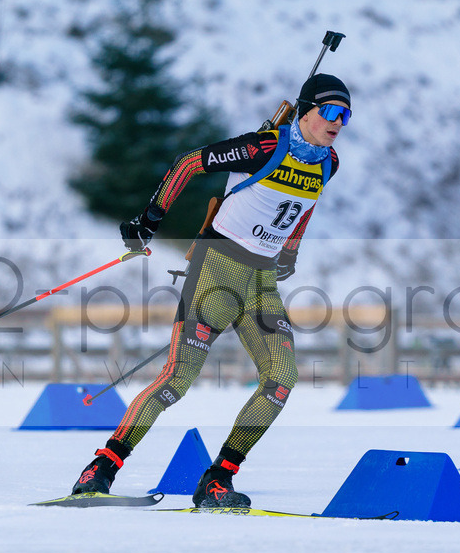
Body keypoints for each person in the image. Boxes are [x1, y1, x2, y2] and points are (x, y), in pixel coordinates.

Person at [72, 74, 350, 507]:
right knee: (177, 379)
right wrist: (151, 218)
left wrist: (289, 251)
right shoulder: (264, 146)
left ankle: (217, 478)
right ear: (305, 109)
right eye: (330, 111)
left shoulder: (329, 162)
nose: (338, 121)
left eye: (345, 115)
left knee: (282, 378)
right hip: (217, 269)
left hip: (260, 282)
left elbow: (303, 208)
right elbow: (188, 163)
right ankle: (102, 467)